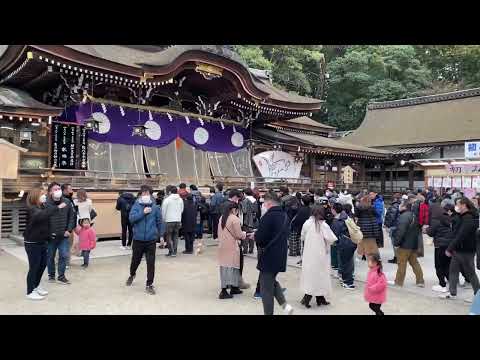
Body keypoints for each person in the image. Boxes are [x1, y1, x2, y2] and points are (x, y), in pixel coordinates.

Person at [254, 191, 293, 315]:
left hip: (269, 255)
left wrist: (255, 236)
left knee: (266, 288)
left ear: (269, 203)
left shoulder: (268, 217)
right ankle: (286, 307)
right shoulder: (285, 216)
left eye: (264, 203)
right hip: (280, 253)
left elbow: (260, 239)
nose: (264, 205)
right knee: (271, 281)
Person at [24, 188, 66, 300]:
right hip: (32, 243)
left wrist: (49, 235)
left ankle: (36, 286)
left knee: (42, 265)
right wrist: (57, 208)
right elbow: (41, 216)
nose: (44, 196)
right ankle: (29, 291)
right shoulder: (32, 209)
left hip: (42, 241)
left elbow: (48, 213)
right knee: (34, 267)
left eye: (44, 194)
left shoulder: (42, 207)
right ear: (35, 197)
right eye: (41, 195)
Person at [441, 197, 480, 302]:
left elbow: (461, 235)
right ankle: (452, 293)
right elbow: (456, 231)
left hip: (466, 250)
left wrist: (449, 248)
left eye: (458, 204)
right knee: (453, 271)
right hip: (458, 249)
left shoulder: (469, 218)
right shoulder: (461, 216)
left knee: (470, 273)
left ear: (464, 205)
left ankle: (478, 296)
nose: (456, 207)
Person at [126, 185, 163, 295]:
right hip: (138, 239)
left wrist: (161, 236)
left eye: (148, 193)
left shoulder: (156, 207)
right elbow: (131, 219)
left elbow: (159, 222)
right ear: (140, 194)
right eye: (144, 193)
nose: (146, 195)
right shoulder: (136, 206)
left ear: (151, 195)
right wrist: (143, 212)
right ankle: (132, 274)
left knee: (151, 263)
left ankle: (149, 284)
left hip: (151, 239)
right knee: (135, 261)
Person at [300, 204, 337, 308]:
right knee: (320, 275)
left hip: (309, 254)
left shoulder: (307, 223)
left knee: (310, 274)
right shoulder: (323, 225)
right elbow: (332, 239)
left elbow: (302, 237)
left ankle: (316, 298)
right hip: (321, 255)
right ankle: (312, 298)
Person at [44, 182, 76, 285]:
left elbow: (72, 217)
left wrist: (69, 230)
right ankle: (51, 275)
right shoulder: (46, 203)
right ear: (50, 192)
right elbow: (43, 218)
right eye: (55, 189)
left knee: (64, 255)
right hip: (51, 236)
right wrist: (47, 233)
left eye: (59, 189)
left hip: (64, 235)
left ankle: (61, 276)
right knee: (50, 257)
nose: (58, 191)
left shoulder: (67, 202)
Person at [217, 202, 250, 299]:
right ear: (234, 209)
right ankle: (224, 291)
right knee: (234, 267)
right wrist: (244, 234)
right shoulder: (235, 219)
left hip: (223, 245)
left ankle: (234, 288)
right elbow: (239, 235)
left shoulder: (222, 217)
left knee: (225, 267)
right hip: (232, 246)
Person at [390, 201, 425, 287]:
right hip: (413, 244)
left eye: (401, 205)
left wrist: (396, 243)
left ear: (404, 207)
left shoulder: (403, 217)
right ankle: (420, 281)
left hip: (404, 245)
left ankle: (398, 282)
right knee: (414, 262)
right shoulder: (414, 215)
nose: (399, 207)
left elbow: (400, 232)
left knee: (401, 263)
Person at [427, 203, 455, 293]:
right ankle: (452, 283)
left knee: (439, 266)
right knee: (447, 265)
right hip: (449, 245)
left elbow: (431, 232)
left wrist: (426, 229)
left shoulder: (437, 219)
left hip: (439, 245)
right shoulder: (453, 219)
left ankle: (442, 284)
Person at [331, 202, 356, 289]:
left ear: (334, 210)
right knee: (348, 262)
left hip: (344, 243)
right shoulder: (346, 216)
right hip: (351, 242)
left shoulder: (337, 221)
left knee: (345, 263)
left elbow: (334, 235)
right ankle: (347, 279)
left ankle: (349, 283)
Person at [161, 186, 184, 257]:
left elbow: (163, 210)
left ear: (170, 192)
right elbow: (182, 210)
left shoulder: (167, 200)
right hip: (178, 220)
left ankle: (171, 251)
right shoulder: (180, 199)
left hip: (169, 220)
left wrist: (164, 218)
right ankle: (175, 251)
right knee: (176, 236)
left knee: (168, 236)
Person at [241, 188, 260, 254]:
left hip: (246, 219)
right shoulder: (255, 200)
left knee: (245, 234)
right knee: (252, 234)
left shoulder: (245, 201)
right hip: (254, 219)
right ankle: (251, 249)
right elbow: (257, 211)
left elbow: (244, 211)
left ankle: (245, 249)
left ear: (245, 193)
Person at [384, 193, 401, 264]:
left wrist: (387, 225)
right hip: (398, 225)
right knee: (397, 243)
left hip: (394, 226)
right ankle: (397, 257)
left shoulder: (394, 205)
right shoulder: (399, 205)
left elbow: (391, 216)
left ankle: (397, 258)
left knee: (394, 243)